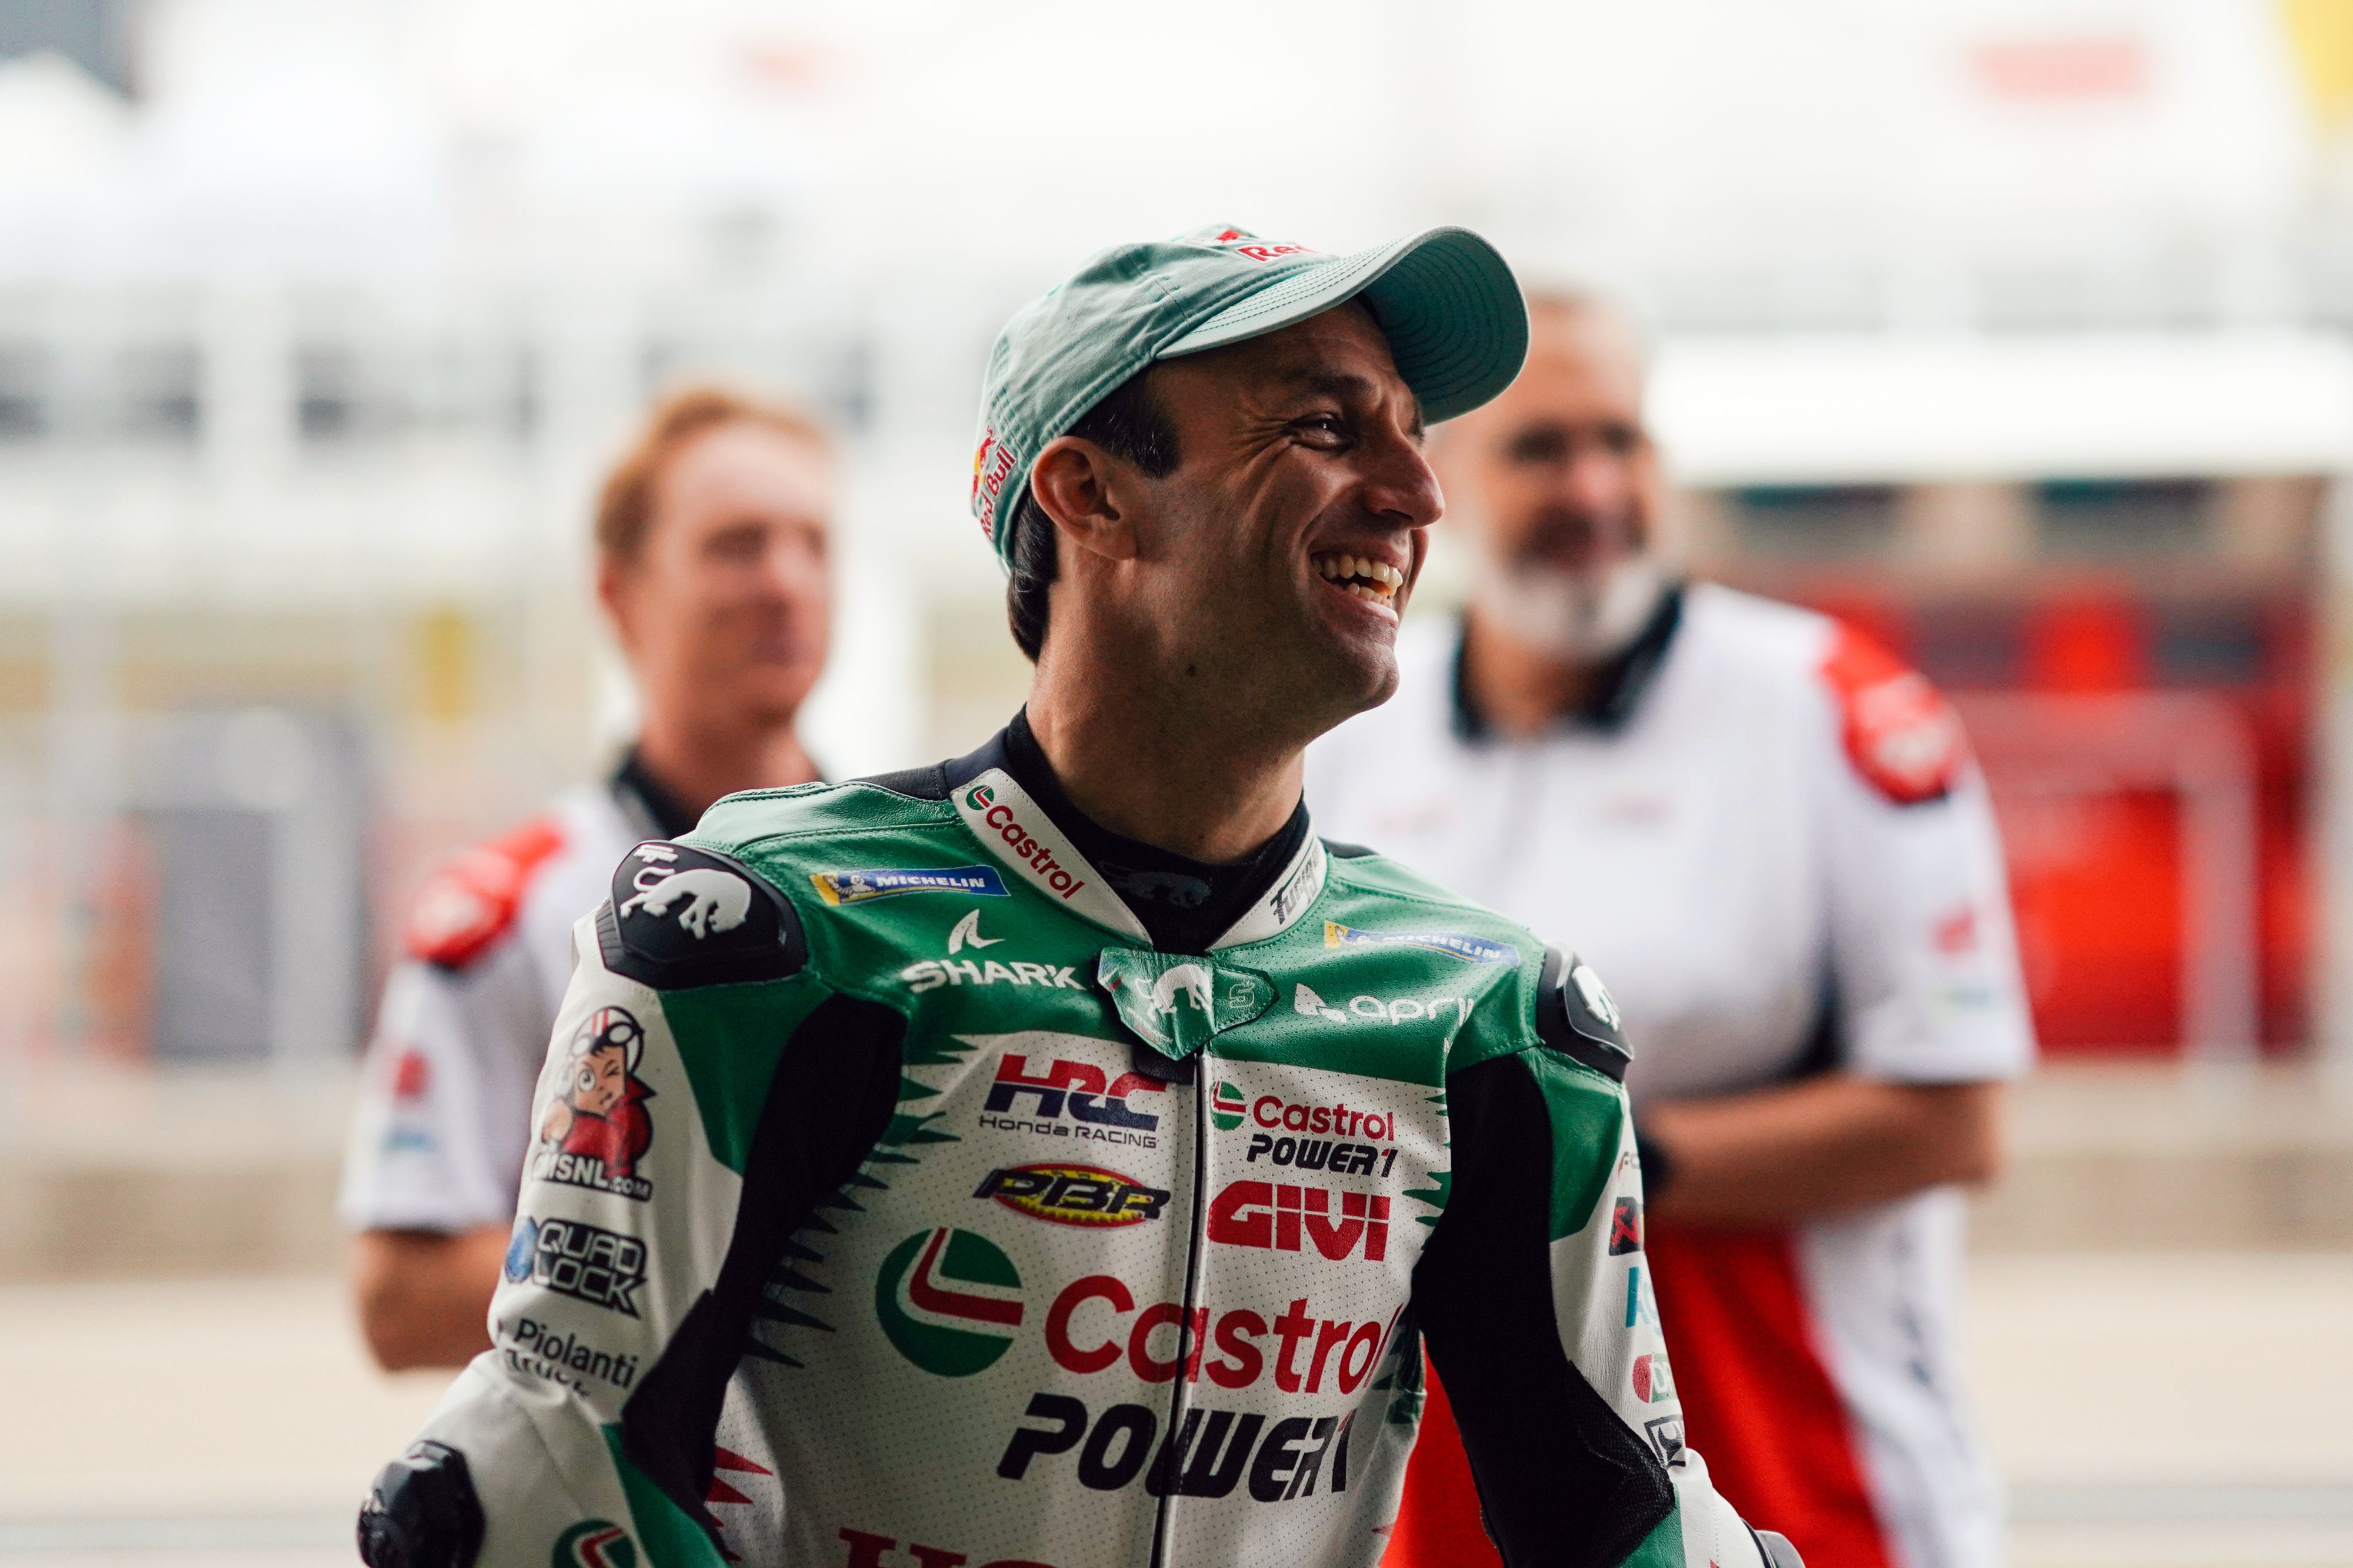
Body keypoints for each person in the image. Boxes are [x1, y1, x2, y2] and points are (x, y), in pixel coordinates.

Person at [355, 225, 1802, 1568]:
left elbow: (1626, 1524)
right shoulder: (772, 940)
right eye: (1323, 428)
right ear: (1088, 492)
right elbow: (547, 1471)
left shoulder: (1488, 1017)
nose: (1419, 494)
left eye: (1412, 437)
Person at [1307, 295, 2033, 1568]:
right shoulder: (1351, 725)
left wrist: (1583, 1159)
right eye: (1541, 449)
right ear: (1434, 479)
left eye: (1622, 441)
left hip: (1802, 1477)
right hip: (1450, 1502)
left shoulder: (1836, 709)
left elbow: (1953, 1117)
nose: (1593, 489)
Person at [339, 386, 834, 1371]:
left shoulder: (922, 884)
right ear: (618, 593)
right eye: (736, 546)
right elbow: (400, 1297)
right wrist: (746, 1262)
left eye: (815, 544)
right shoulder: (510, 911)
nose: (786, 581)